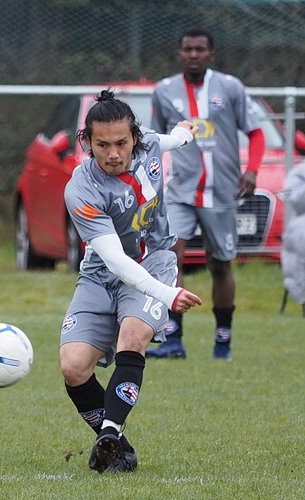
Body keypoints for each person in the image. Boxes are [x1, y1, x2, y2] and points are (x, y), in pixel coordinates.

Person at [60, 90, 202, 473]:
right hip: (104, 273)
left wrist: (186, 131)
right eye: (101, 144)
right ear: (86, 142)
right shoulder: (81, 190)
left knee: (134, 336)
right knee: (74, 368)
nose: (113, 154)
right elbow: (117, 261)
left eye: (121, 143)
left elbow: (173, 139)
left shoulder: (150, 145)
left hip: (155, 261)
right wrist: (168, 295)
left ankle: (108, 432)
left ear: (135, 138)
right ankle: (117, 443)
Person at [147, 28, 264, 361]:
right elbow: (155, 140)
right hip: (180, 190)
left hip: (222, 193)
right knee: (171, 258)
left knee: (220, 266)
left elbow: (256, 133)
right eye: (188, 49)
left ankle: (222, 341)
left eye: (200, 49)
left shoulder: (230, 87)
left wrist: (252, 169)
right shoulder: (164, 91)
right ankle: (172, 339)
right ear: (179, 53)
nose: (193, 54)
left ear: (211, 54)